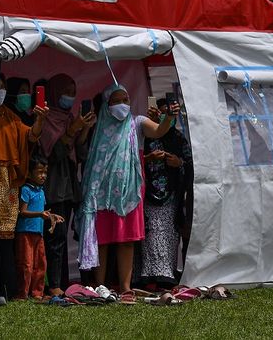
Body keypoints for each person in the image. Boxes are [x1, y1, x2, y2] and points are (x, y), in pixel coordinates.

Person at [77, 84, 179, 305]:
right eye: (117, 100)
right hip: (102, 193)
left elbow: (160, 130)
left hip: (129, 192)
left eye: (126, 99)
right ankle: (100, 284)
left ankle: (124, 287)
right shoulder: (99, 127)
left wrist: (169, 117)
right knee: (102, 240)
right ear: (107, 105)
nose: (124, 104)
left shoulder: (137, 122)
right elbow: (83, 149)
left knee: (126, 240)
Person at [0, 73, 47, 301]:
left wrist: (40, 119)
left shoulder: (10, 116)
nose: (0, 92)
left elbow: (31, 136)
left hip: (8, 182)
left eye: (2, 88)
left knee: (5, 238)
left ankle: (5, 289)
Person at [38, 73, 96, 296]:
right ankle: (52, 285)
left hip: (69, 186)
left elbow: (80, 153)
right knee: (54, 238)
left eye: (73, 94)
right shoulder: (47, 119)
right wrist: (73, 130)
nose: (70, 98)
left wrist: (85, 129)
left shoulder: (69, 118)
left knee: (61, 238)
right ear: (55, 93)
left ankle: (60, 282)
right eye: (66, 93)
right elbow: (54, 154)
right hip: (53, 187)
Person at [135, 98, 190, 288]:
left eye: (170, 114)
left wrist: (179, 163)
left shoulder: (178, 138)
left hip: (171, 196)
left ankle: (167, 274)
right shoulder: (147, 136)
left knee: (168, 234)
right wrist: (148, 159)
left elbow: (191, 164)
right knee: (150, 235)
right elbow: (131, 158)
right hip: (148, 194)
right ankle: (149, 275)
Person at [14, 153, 64, 300]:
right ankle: (22, 293)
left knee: (40, 263)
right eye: (40, 172)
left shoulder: (41, 191)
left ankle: (37, 293)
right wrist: (39, 214)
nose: (43, 176)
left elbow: (43, 212)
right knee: (26, 264)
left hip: (38, 233)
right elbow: (22, 212)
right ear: (30, 173)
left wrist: (52, 216)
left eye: (45, 172)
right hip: (25, 232)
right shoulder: (26, 190)